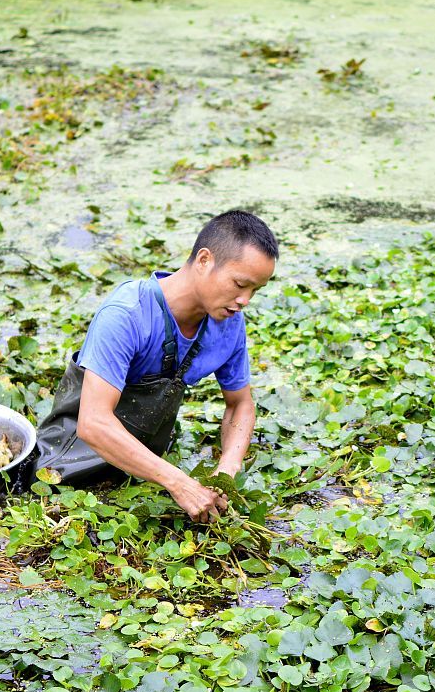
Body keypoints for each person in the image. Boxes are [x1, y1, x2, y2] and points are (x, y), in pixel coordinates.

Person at [30, 210, 278, 523]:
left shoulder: (229, 321)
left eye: (255, 290)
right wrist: (178, 482)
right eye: (240, 284)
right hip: (68, 465)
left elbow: (240, 404)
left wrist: (226, 470)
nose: (245, 300)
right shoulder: (126, 314)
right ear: (204, 260)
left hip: (145, 470)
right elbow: (92, 423)